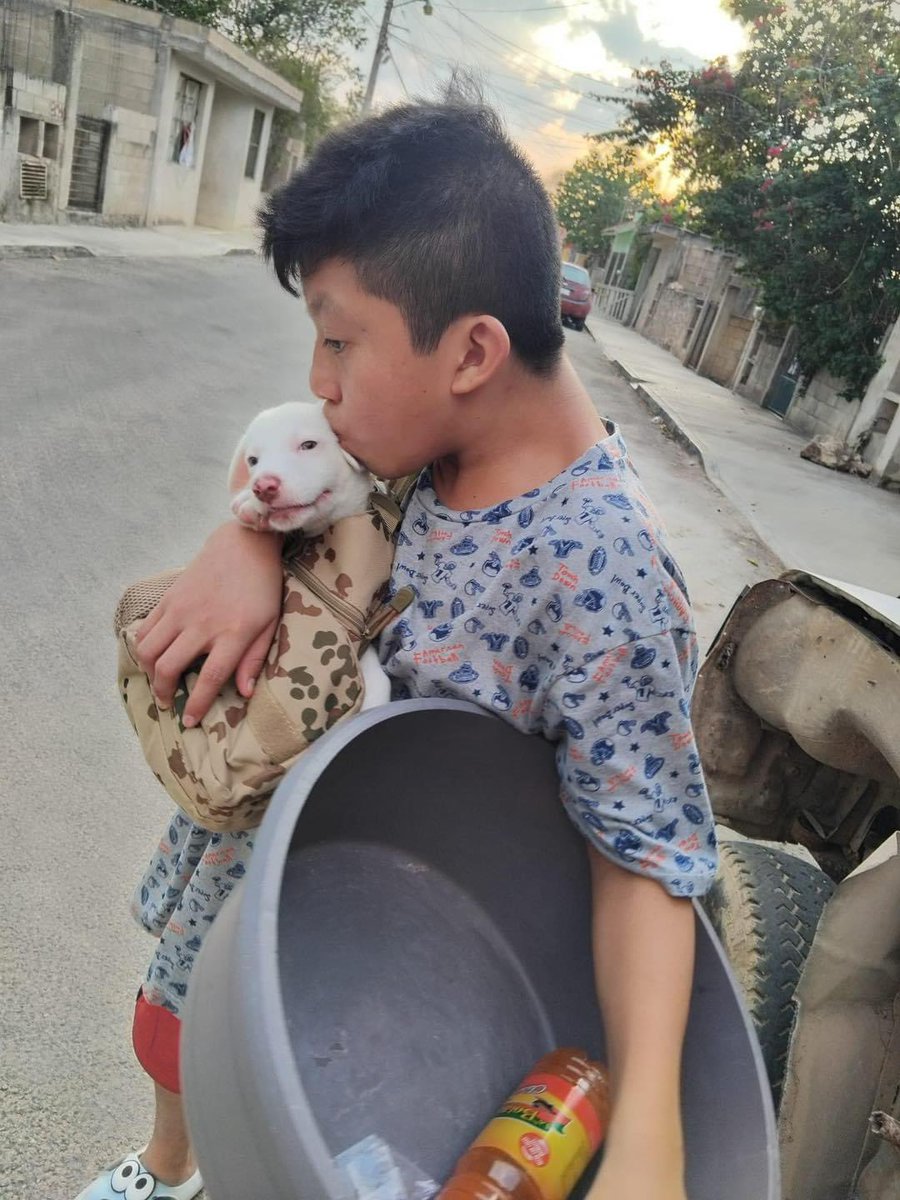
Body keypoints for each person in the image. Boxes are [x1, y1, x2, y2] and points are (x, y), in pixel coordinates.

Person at [79, 84, 716, 1200]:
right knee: (174, 1022)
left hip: (390, 935)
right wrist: (245, 543)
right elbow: (301, 475)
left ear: (470, 353)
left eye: (338, 342)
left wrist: (651, 1134)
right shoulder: (416, 435)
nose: (318, 383)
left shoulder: (599, 567)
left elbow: (645, 854)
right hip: (267, 851)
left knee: (289, 1117)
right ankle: (166, 1169)